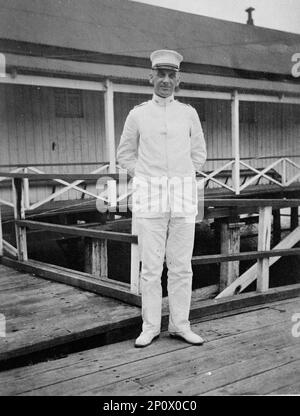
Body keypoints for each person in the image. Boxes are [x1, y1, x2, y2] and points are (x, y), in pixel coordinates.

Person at [117, 49, 207, 348]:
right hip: (149, 198)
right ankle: (150, 327)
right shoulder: (138, 114)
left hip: (182, 197)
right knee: (151, 267)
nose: (165, 80)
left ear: (177, 80)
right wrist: (142, 175)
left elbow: (199, 154)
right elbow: (124, 154)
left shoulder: (188, 113)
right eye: (161, 75)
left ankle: (180, 325)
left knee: (181, 265)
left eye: (171, 75)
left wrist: (185, 176)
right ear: (151, 77)